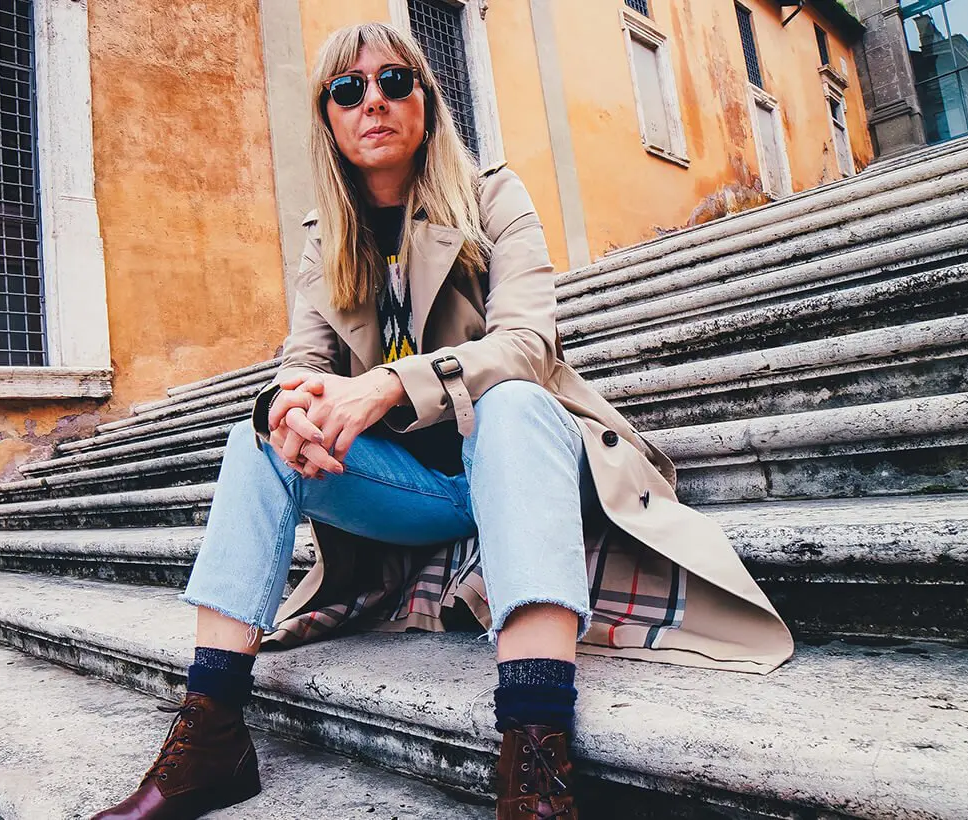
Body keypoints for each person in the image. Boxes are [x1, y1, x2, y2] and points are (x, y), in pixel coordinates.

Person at [93, 21, 794, 820]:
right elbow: (301, 362)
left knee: (514, 400)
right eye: (349, 90)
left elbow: (528, 344)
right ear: (328, 116)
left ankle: (535, 751)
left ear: (426, 99)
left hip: (521, 463)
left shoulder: (494, 196)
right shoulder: (325, 241)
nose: (375, 102)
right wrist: (285, 408)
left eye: (396, 82)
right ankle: (212, 732)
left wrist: (391, 386)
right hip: (420, 494)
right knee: (259, 441)